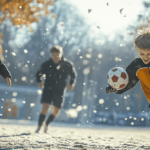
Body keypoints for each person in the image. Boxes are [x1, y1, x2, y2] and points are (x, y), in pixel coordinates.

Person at [35, 45, 77, 133]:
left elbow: (73, 75)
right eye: (53, 55)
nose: (55, 57)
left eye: (57, 55)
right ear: (51, 55)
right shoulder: (46, 64)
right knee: (45, 107)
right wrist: (39, 81)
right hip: (47, 89)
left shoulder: (67, 64)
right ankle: (39, 127)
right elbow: (38, 73)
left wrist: (71, 83)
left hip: (60, 90)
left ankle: (47, 123)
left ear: (61, 54)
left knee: (56, 111)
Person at [106, 27, 150, 109]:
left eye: (149, 54)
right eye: (142, 54)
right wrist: (115, 88)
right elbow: (127, 82)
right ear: (137, 50)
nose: (146, 57)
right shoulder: (137, 65)